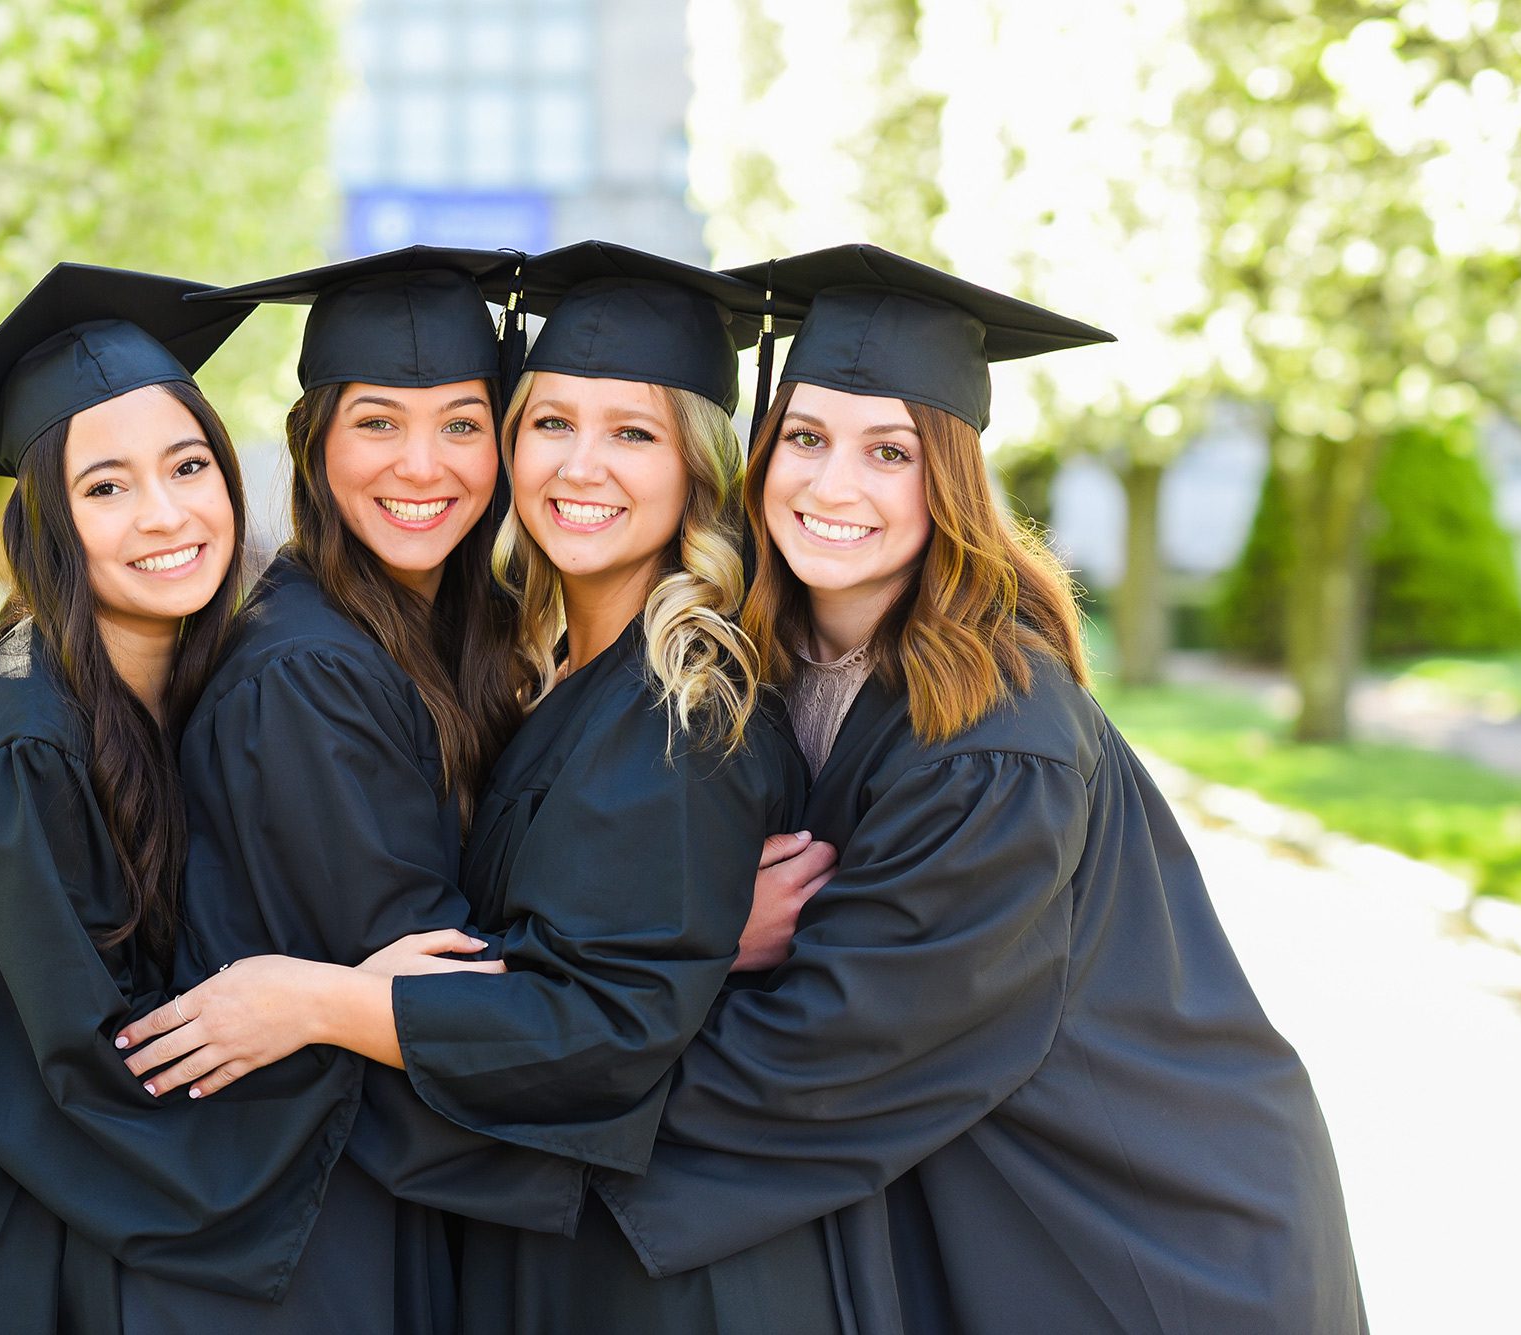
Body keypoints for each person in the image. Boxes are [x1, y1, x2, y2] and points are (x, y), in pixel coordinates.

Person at [583, 244, 1369, 1333]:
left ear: (946, 478)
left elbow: (833, 1047)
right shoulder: (770, 667)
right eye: (804, 438)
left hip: (1138, 1235)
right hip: (979, 1200)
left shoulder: (995, 740)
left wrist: (528, 1097)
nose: (832, 484)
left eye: (888, 451)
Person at [122, 241, 841, 1334]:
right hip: (426, 1242)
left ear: (696, 470)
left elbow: (586, 1019)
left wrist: (317, 1000)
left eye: (632, 433)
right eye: (549, 423)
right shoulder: (513, 670)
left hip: (653, 1274)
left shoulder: (682, 704)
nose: (579, 466)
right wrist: (692, 933)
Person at [0, 264, 386, 1331]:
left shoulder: (167, 687)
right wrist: (363, 1020)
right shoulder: (26, 737)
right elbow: (94, 1068)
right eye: (105, 487)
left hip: (18, 1214)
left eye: (187, 465)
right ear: (48, 520)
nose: (164, 514)